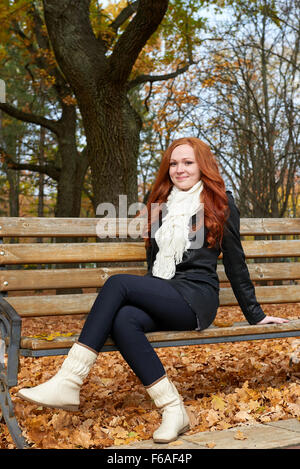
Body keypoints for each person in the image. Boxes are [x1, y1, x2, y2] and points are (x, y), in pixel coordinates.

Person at [17, 137, 288, 444]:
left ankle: (70, 379)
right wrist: (144, 295)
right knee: (124, 321)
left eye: (187, 162)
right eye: (173, 163)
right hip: (164, 291)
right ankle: (173, 409)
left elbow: (236, 263)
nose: (179, 169)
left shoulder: (219, 202)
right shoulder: (158, 201)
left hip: (197, 297)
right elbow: (154, 261)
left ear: (203, 166)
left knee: (118, 283)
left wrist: (256, 315)